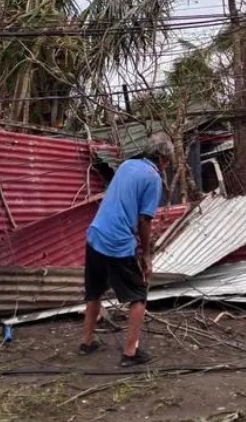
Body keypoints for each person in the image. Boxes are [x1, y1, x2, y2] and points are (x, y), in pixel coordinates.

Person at [77, 135, 174, 367]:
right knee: (138, 294)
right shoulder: (153, 177)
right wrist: (146, 255)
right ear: (161, 159)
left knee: (95, 290)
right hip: (117, 241)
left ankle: (87, 343)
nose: (167, 165)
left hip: (96, 233)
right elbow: (144, 220)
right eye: (167, 161)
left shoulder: (127, 165)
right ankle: (130, 352)